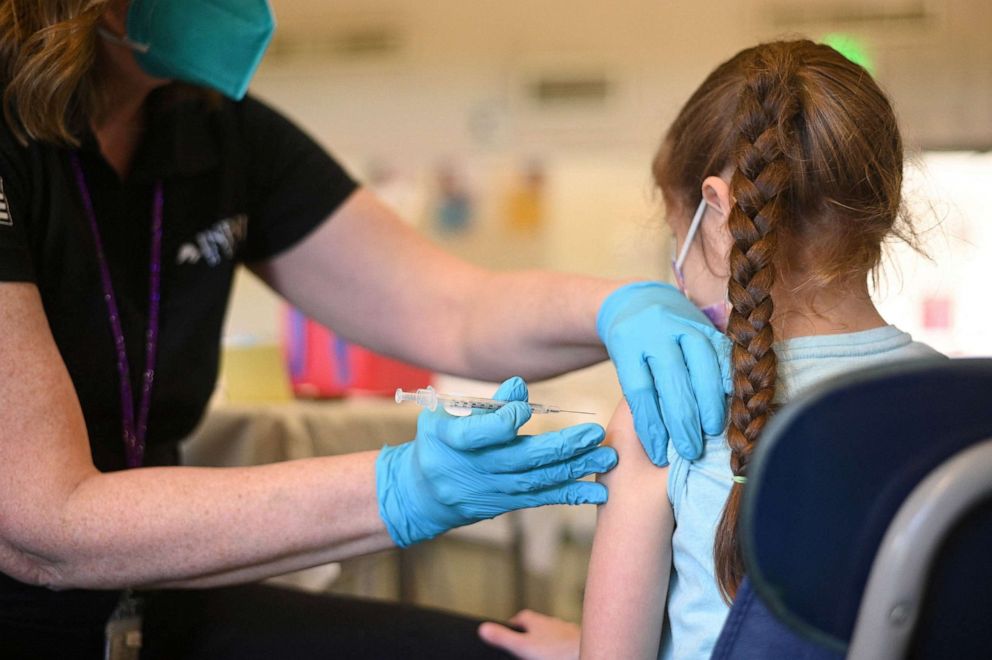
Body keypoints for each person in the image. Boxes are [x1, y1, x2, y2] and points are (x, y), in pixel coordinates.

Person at [0, 1, 729, 658]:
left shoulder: (216, 131)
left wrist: (619, 306)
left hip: (154, 597)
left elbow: (455, 308)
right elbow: (47, 527)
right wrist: (405, 486)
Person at [478, 39, 943, 659]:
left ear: (720, 210)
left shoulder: (666, 415)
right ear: (884, 204)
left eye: (678, 228)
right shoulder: (959, 406)